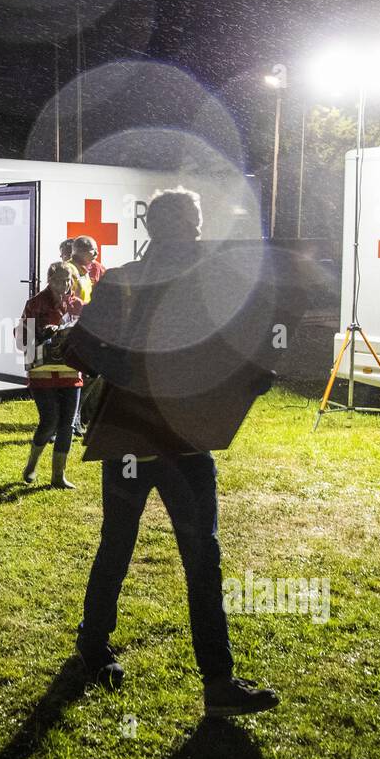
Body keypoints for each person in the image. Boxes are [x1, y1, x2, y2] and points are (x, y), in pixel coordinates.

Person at [65, 188, 279, 717]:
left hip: (186, 439)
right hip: (131, 435)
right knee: (117, 545)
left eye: (195, 220)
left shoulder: (208, 285)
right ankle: (93, 644)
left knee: (203, 556)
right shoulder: (124, 282)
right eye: (182, 220)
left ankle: (219, 683)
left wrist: (250, 375)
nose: (192, 229)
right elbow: (81, 344)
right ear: (159, 226)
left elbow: (224, 351)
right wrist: (134, 374)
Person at [17, 261, 83, 488]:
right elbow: (21, 340)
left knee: (68, 425)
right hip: (42, 372)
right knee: (49, 421)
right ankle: (31, 466)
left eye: (68, 280)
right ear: (49, 280)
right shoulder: (35, 304)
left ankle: (58, 476)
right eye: (58, 280)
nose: (64, 284)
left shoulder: (77, 305)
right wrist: (43, 334)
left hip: (71, 372)